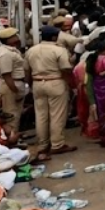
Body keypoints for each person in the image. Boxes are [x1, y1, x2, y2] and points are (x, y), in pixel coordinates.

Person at [25, 26, 76, 163]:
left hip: (37, 83)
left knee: (41, 115)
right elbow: (66, 69)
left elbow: (27, 70)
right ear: (54, 37)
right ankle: (57, 144)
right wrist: (70, 84)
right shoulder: (59, 50)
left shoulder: (32, 50)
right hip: (55, 82)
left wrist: (30, 84)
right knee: (57, 114)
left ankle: (43, 144)